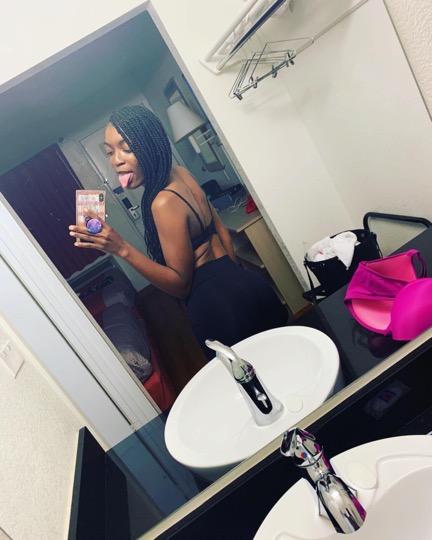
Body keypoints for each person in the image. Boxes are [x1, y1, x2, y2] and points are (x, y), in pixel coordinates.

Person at [69, 105, 287, 359]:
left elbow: (181, 286)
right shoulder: (181, 173)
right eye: (109, 152)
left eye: (126, 148)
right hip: (245, 282)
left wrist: (121, 248)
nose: (116, 161)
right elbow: (220, 230)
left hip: (221, 306)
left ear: (151, 145)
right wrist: (234, 275)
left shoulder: (163, 203)